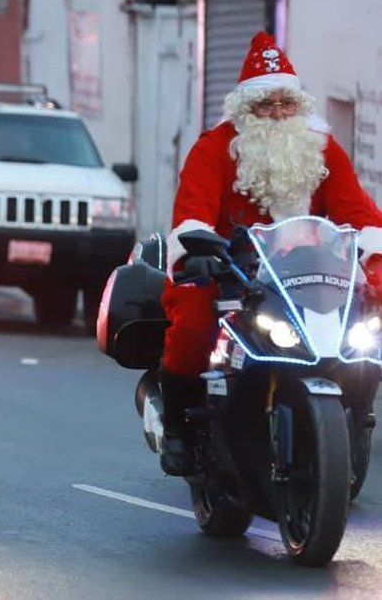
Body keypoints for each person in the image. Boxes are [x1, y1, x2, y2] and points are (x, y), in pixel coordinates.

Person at [160, 32, 382, 476]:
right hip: (234, 274)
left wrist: (372, 258)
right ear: (247, 111)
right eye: (267, 106)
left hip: (315, 277)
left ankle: (357, 418)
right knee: (192, 322)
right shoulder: (215, 149)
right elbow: (192, 215)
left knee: (365, 332)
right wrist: (197, 253)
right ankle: (179, 428)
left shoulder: (320, 151)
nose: (279, 115)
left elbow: (359, 214)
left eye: (287, 105)